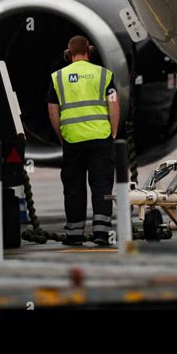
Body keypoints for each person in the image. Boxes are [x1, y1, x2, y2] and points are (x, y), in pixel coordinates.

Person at [47, 35, 120, 246]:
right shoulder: (103, 75)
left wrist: (62, 136)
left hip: (73, 140)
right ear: (89, 51)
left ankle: (74, 234)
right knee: (102, 186)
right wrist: (113, 130)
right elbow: (113, 103)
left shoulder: (58, 77)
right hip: (100, 138)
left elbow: (52, 110)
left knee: (74, 187)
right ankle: (101, 233)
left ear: (68, 55)